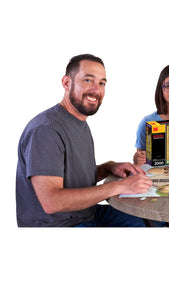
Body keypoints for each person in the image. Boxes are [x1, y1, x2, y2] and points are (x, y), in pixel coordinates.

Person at [16, 54, 152, 227]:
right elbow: (52, 202)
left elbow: (73, 179)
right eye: (88, 80)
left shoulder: (78, 122)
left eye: (102, 83)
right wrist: (119, 186)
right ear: (66, 83)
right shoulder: (45, 130)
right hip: (59, 225)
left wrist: (108, 168)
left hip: (86, 213)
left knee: (149, 220)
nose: (96, 90)